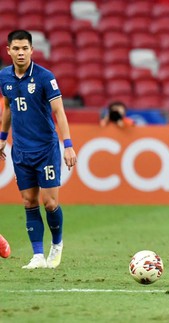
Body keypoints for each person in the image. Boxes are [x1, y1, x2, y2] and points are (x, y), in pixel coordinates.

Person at [0, 30, 77, 269]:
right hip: (21, 151)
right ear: (8, 50)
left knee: (50, 203)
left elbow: (59, 113)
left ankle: (57, 244)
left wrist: (68, 145)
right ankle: (37, 255)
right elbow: (8, 107)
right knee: (28, 201)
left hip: (46, 149)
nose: (20, 53)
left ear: (32, 50)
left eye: (25, 48)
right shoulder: (4, 76)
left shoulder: (45, 77)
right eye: (16, 48)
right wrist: (2, 138)